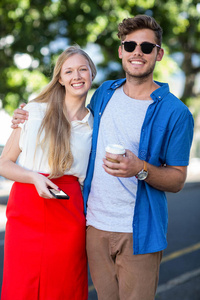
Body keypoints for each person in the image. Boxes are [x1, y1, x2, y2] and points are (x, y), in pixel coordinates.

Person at [11, 15, 194, 300]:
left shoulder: (176, 112)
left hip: (138, 233)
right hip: (93, 228)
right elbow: (66, 118)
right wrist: (25, 114)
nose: (137, 52)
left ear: (159, 54)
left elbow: (178, 179)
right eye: (130, 45)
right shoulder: (105, 95)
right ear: (121, 50)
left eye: (147, 47)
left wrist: (140, 168)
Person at [0, 45, 96, 300]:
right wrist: (34, 177)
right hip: (27, 208)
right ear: (61, 79)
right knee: (22, 286)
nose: (76, 76)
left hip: (68, 210)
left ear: (92, 74)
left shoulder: (95, 124)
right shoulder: (33, 112)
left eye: (82, 69)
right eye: (69, 71)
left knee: (64, 286)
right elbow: (4, 163)